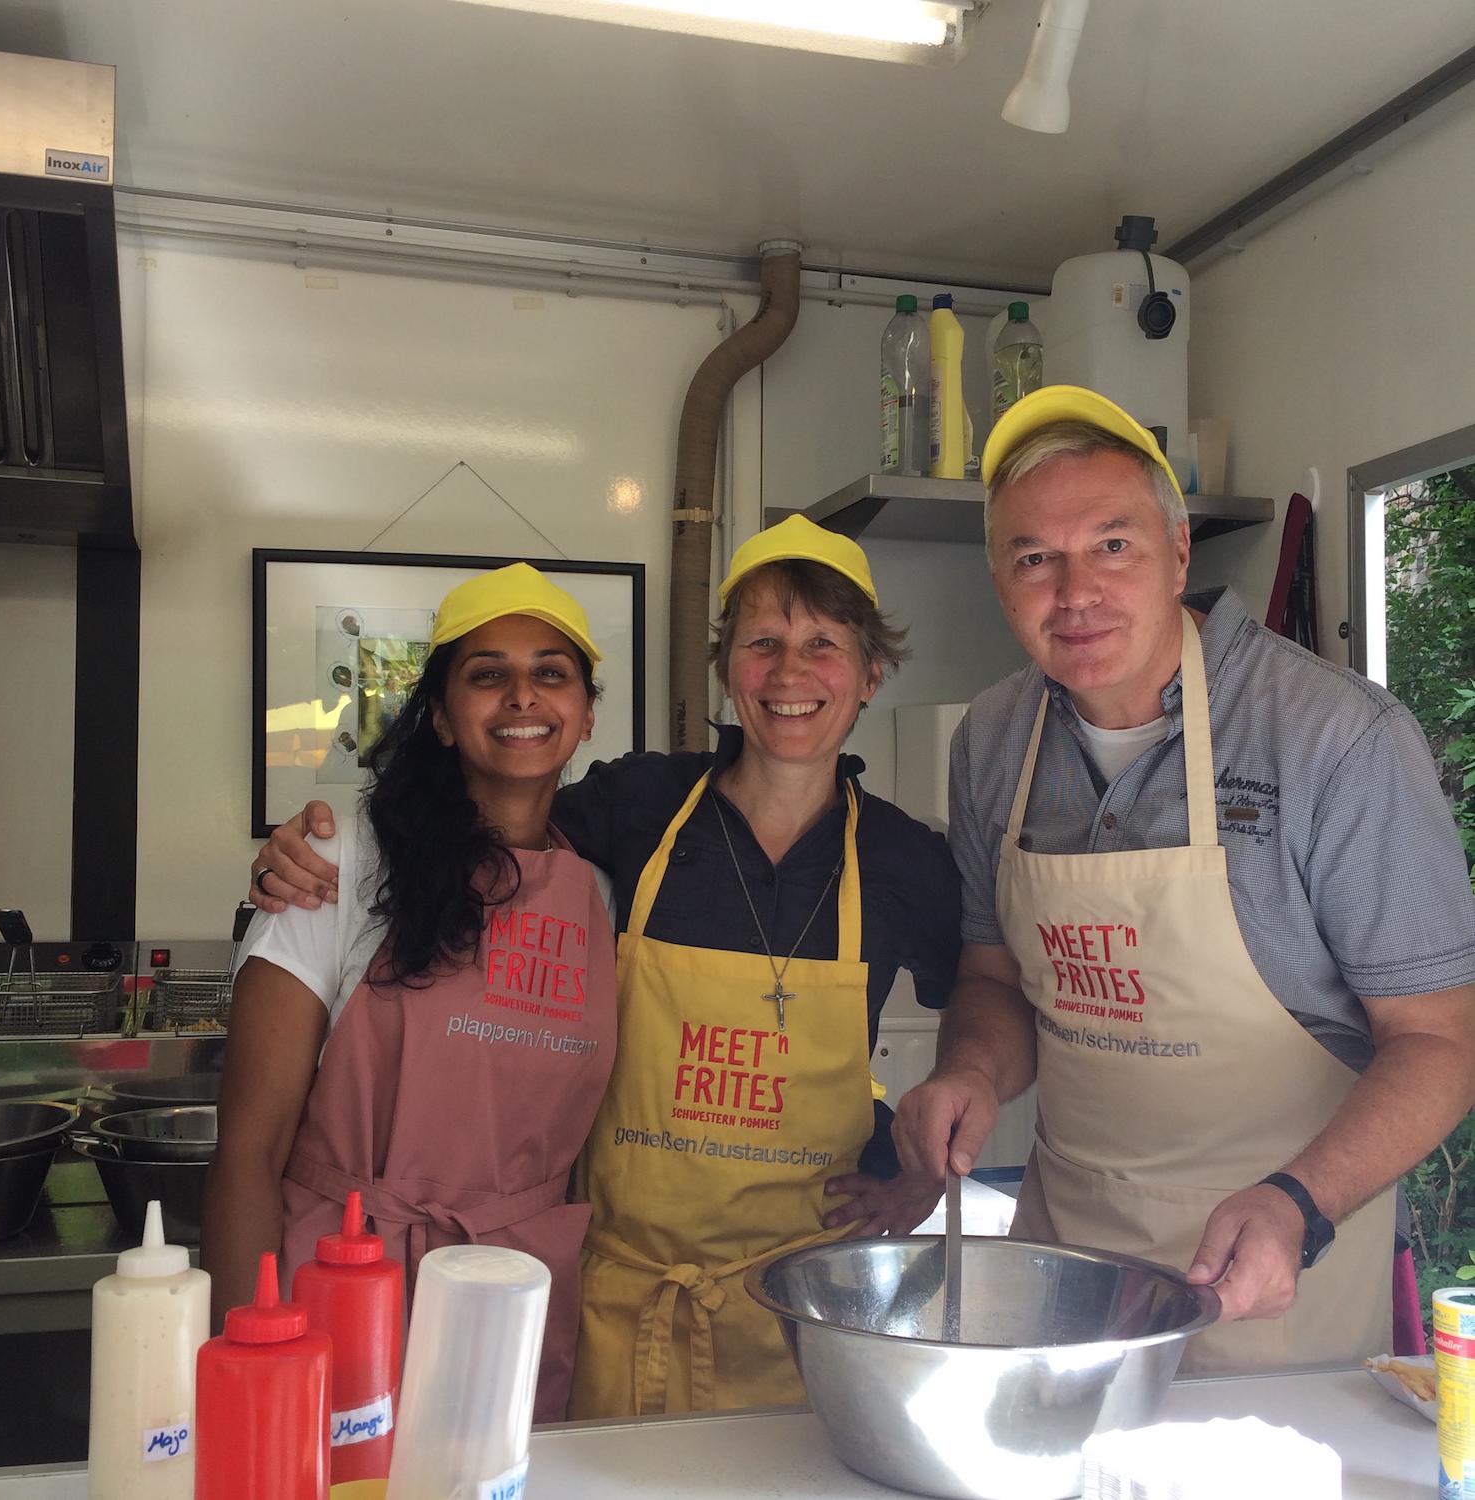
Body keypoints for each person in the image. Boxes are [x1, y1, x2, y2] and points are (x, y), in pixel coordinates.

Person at [249, 515, 962, 1416]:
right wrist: (318, 849)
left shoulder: (907, 862)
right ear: (726, 667)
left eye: (823, 645)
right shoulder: (637, 809)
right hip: (609, 1303)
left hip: (800, 1308)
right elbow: (482, 815)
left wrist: (923, 1155)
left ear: (871, 674)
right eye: (763, 643)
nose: (790, 673)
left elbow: (984, 984)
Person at [894, 384, 1475, 1375]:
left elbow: (1440, 1044)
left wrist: (1298, 1204)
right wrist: (972, 1075)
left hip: (1272, 1282)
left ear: (1178, 553)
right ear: (1001, 583)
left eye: (1111, 545)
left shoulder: (1335, 739)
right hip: (1065, 1276)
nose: (1074, 590)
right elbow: (994, 981)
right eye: (1035, 559)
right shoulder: (994, 740)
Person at [205, 563, 618, 1423]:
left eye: (551, 672)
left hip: (515, 1303)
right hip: (340, 1291)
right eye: (486, 673)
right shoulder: (341, 866)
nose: (521, 696)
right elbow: (250, 1148)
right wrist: (255, 1367)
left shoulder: (601, 897)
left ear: (583, 716)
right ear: (437, 714)